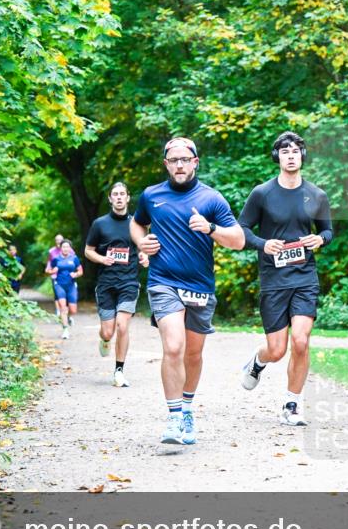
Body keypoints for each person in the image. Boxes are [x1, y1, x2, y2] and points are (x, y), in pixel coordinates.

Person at [131, 137, 245, 445]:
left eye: (185, 159)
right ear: (166, 164)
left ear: (195, 162)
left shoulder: (211, 199)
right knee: (173, 347)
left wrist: (210, 228)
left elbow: (238, 240)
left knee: (193, 354)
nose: (179, 165)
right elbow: (137, 223)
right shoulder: (151, 195)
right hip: (163, 281)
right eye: (174, 160)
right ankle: (173, 417)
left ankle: (187, 408)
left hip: (199, 286)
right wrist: (141, 242)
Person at [237, 131, 332, 426]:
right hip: (274, 279)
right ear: (277, 157)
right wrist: (263, 244)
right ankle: (258, 361)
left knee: (301, 341)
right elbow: (241, 229)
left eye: (295, 151)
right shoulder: (262, 194)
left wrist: (320, 239)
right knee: (277, 350)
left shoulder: (316, 195)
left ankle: (292, 405)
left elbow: (328, 230)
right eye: (285, 151)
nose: (291, 156)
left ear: (302, 156)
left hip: (305, 277)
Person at [85, 181, 149, 388]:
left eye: (122, 194)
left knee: (123, 325)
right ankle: (104, 340)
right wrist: (102, 259)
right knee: (108, 332)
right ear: (110, 199)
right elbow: (88, 251)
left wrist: (144, 257)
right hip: (106, 283)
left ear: (128, 198)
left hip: (129, 282)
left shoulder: (137, 224)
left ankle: (119, 371)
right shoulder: (100, 224)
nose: (119, 197)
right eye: (115, 194)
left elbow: (143, 249)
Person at [47, 239, 83, 339]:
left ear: (70, 248)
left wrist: (75, 274)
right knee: (63, 308)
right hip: (59, 285)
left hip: (71, 285)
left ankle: (69, 317)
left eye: (67, 247)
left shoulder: (74, 258)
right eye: (63, 247)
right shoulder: (56, 259)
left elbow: (80, 271)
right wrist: (53, 271)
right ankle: (65, 330)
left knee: (73, 310)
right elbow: (48, 270)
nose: (65, 249)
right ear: (61, 248)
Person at [46, 234, 69, 323]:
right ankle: (58, 311)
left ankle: (65, 312)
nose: (58, 241)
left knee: (66, 294)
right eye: (57, 240)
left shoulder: (69, 249)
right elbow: (49, 262)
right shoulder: (51, 251)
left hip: (67, 275)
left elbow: (74, 260)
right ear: (55, 241)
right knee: (57, 294)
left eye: (60, 240)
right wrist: (48, 269)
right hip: (55, 276)